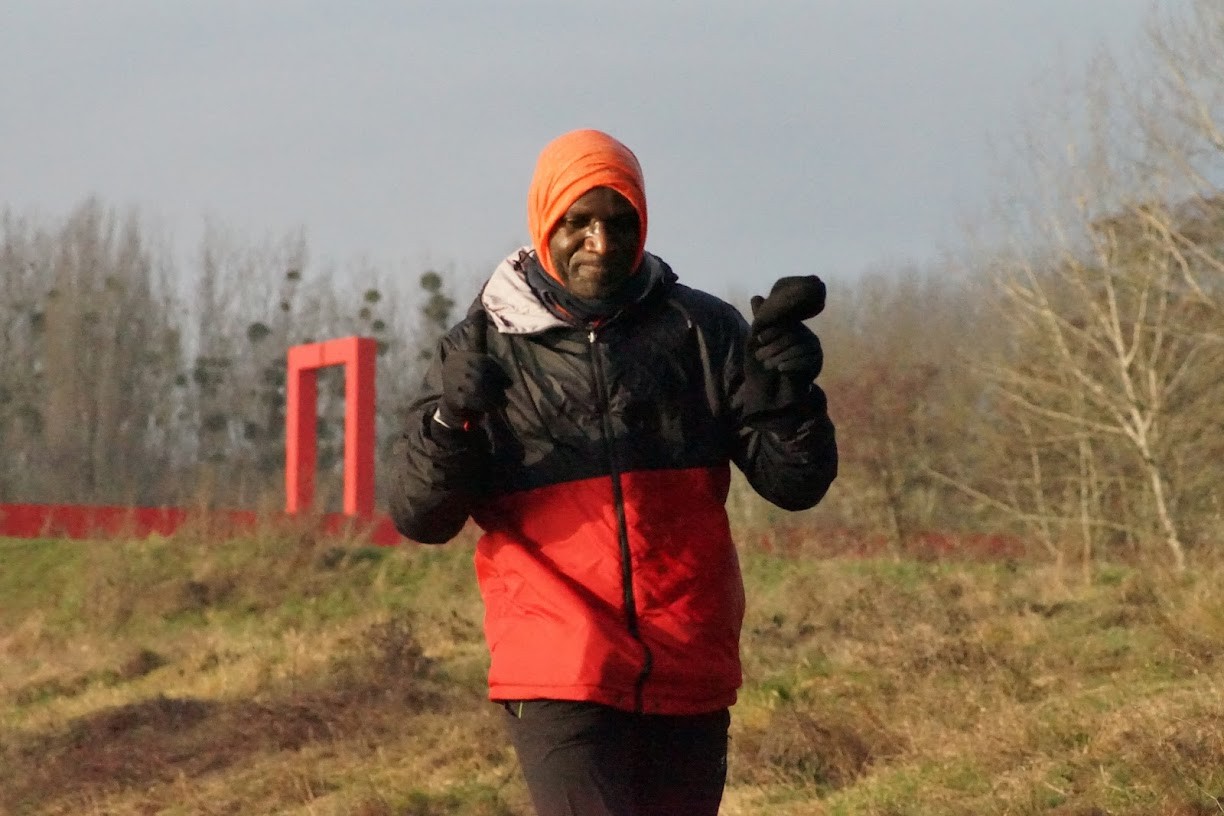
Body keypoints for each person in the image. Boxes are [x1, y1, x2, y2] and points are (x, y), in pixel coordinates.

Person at [389, 128, 837, 816]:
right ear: (546, 220)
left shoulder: (704, 330)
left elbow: (795, 483)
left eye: (620, 222)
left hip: (689, 660)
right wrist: (454, 419)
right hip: (557, 665)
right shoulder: (481, 347)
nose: (601, 242)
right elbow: (421, 516)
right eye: (580, 221)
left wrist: (787, 390)